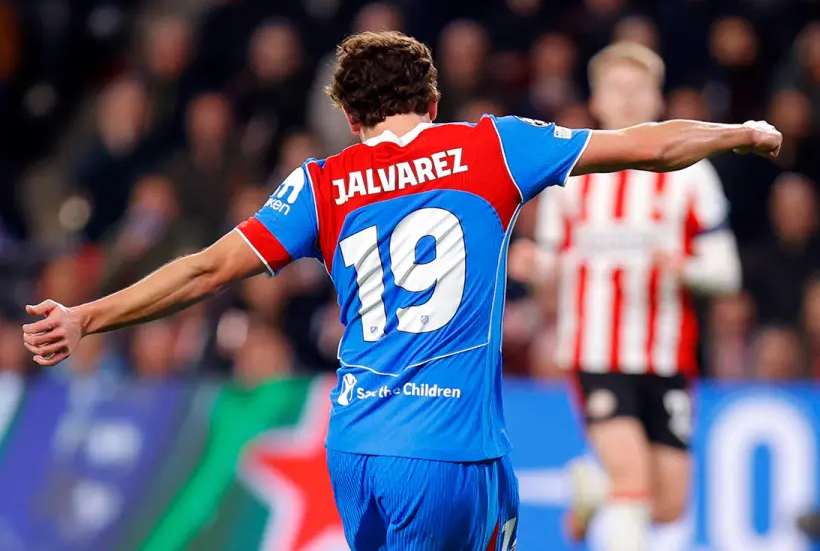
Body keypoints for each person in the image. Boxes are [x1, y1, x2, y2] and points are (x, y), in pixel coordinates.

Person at [22, 32, 780, 551]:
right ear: (434, 98)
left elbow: (203, 270)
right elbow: (649, 144)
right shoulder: (492, 147)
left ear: (350, 117)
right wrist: (738, 132)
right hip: (453, 452)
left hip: (355, 448)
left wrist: (88, 314)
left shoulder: (321, 184)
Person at [510, 42, 743, 550]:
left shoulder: (692, 173)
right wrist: (533, 267)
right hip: (595, 351)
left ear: (658, 98)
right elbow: (552, 262)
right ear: (597, 100)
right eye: (617, 88)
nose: (629, 97)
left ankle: (595, 485)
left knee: (669, 505)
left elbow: (727, 271)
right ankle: (612, 483)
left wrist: (686, 268)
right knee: (633, 483)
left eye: (639, 87)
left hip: (667, 354)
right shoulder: (570, 175)